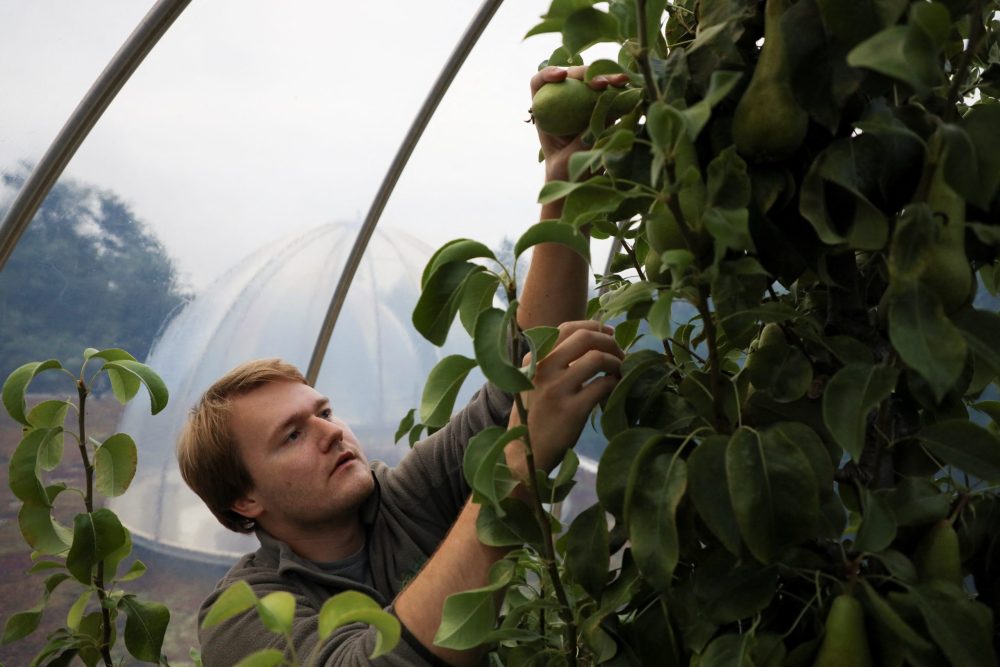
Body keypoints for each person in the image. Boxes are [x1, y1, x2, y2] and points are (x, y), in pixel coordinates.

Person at [177, 67, 628, 666]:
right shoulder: (243, 613)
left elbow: (518, 384)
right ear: (245, 502)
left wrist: (564, 183)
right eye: (292, 435)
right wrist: (513, 469)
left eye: (323, 412)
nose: (331, 432)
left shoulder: (398, 502)